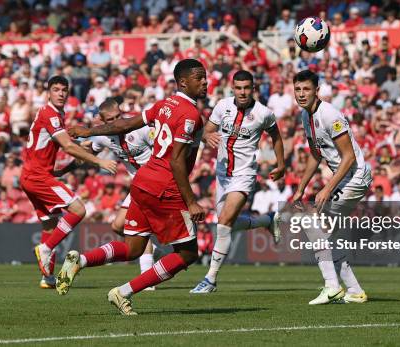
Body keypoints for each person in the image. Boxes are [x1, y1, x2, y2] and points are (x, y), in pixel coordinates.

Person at [65, 59, 208, 315]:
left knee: (133, 248)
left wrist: (89, 131)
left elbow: (125, 125)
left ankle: (83, 260)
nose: (205, 82)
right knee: (187, 254)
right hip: (166, 186)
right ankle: (123, 292)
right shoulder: (190, 114)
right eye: (199, 78)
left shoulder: (164, 104)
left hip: (142, 183)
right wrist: (191, 201)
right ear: (183, 82)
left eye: (205, 77)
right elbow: (176, 161)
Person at [189, 70, 285, 294]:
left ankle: (210, 279)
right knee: (226, 223)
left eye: (246, 88)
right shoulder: (222, 106)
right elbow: (206, 130)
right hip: (222, 174)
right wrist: (207, 136)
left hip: (244, 175)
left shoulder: (263, 113)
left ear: (253, 89)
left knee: (223, 223)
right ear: (233, 88)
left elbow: (277, 137)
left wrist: (281, 164)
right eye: (238, 88)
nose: (242, 92)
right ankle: (266, 221)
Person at [20, 76, 117, 289]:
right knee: (78, 210)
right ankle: (45, 249)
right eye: (56, 89)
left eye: (64, 90)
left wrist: (63, 168)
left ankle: (47, 278)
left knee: (50, 224)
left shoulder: (56, 114)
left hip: (33, 174)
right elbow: (67, 146)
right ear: (48, 92)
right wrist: (99, 160)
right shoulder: (50, 113)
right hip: (37, 176)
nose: (61, 93)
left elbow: (55, 144)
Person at [55, 98, 157, 295]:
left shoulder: (142, 128)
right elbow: (84, 155)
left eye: (119, 116)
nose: (117, 122)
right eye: (111, 119)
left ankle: (148, 276)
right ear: (102, 120)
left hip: (155, 183)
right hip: (138, 185)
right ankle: (148, 255)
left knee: (139, 233)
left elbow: (166, 152)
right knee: (118, 226)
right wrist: (63, 171)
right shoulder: (103, 136)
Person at [291, 70, 372, 305]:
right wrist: (301, 188)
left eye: (306, 89)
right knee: (329, 236)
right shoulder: (306, 117)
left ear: (317, 91)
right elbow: (316, 155)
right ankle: (354, 291)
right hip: (344, 178)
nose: (302, 94)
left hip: (355, 176)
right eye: (298, 89)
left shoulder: (329, 115)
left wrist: (326, 188)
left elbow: (348, 157)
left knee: (312, 223)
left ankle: (332, 286)